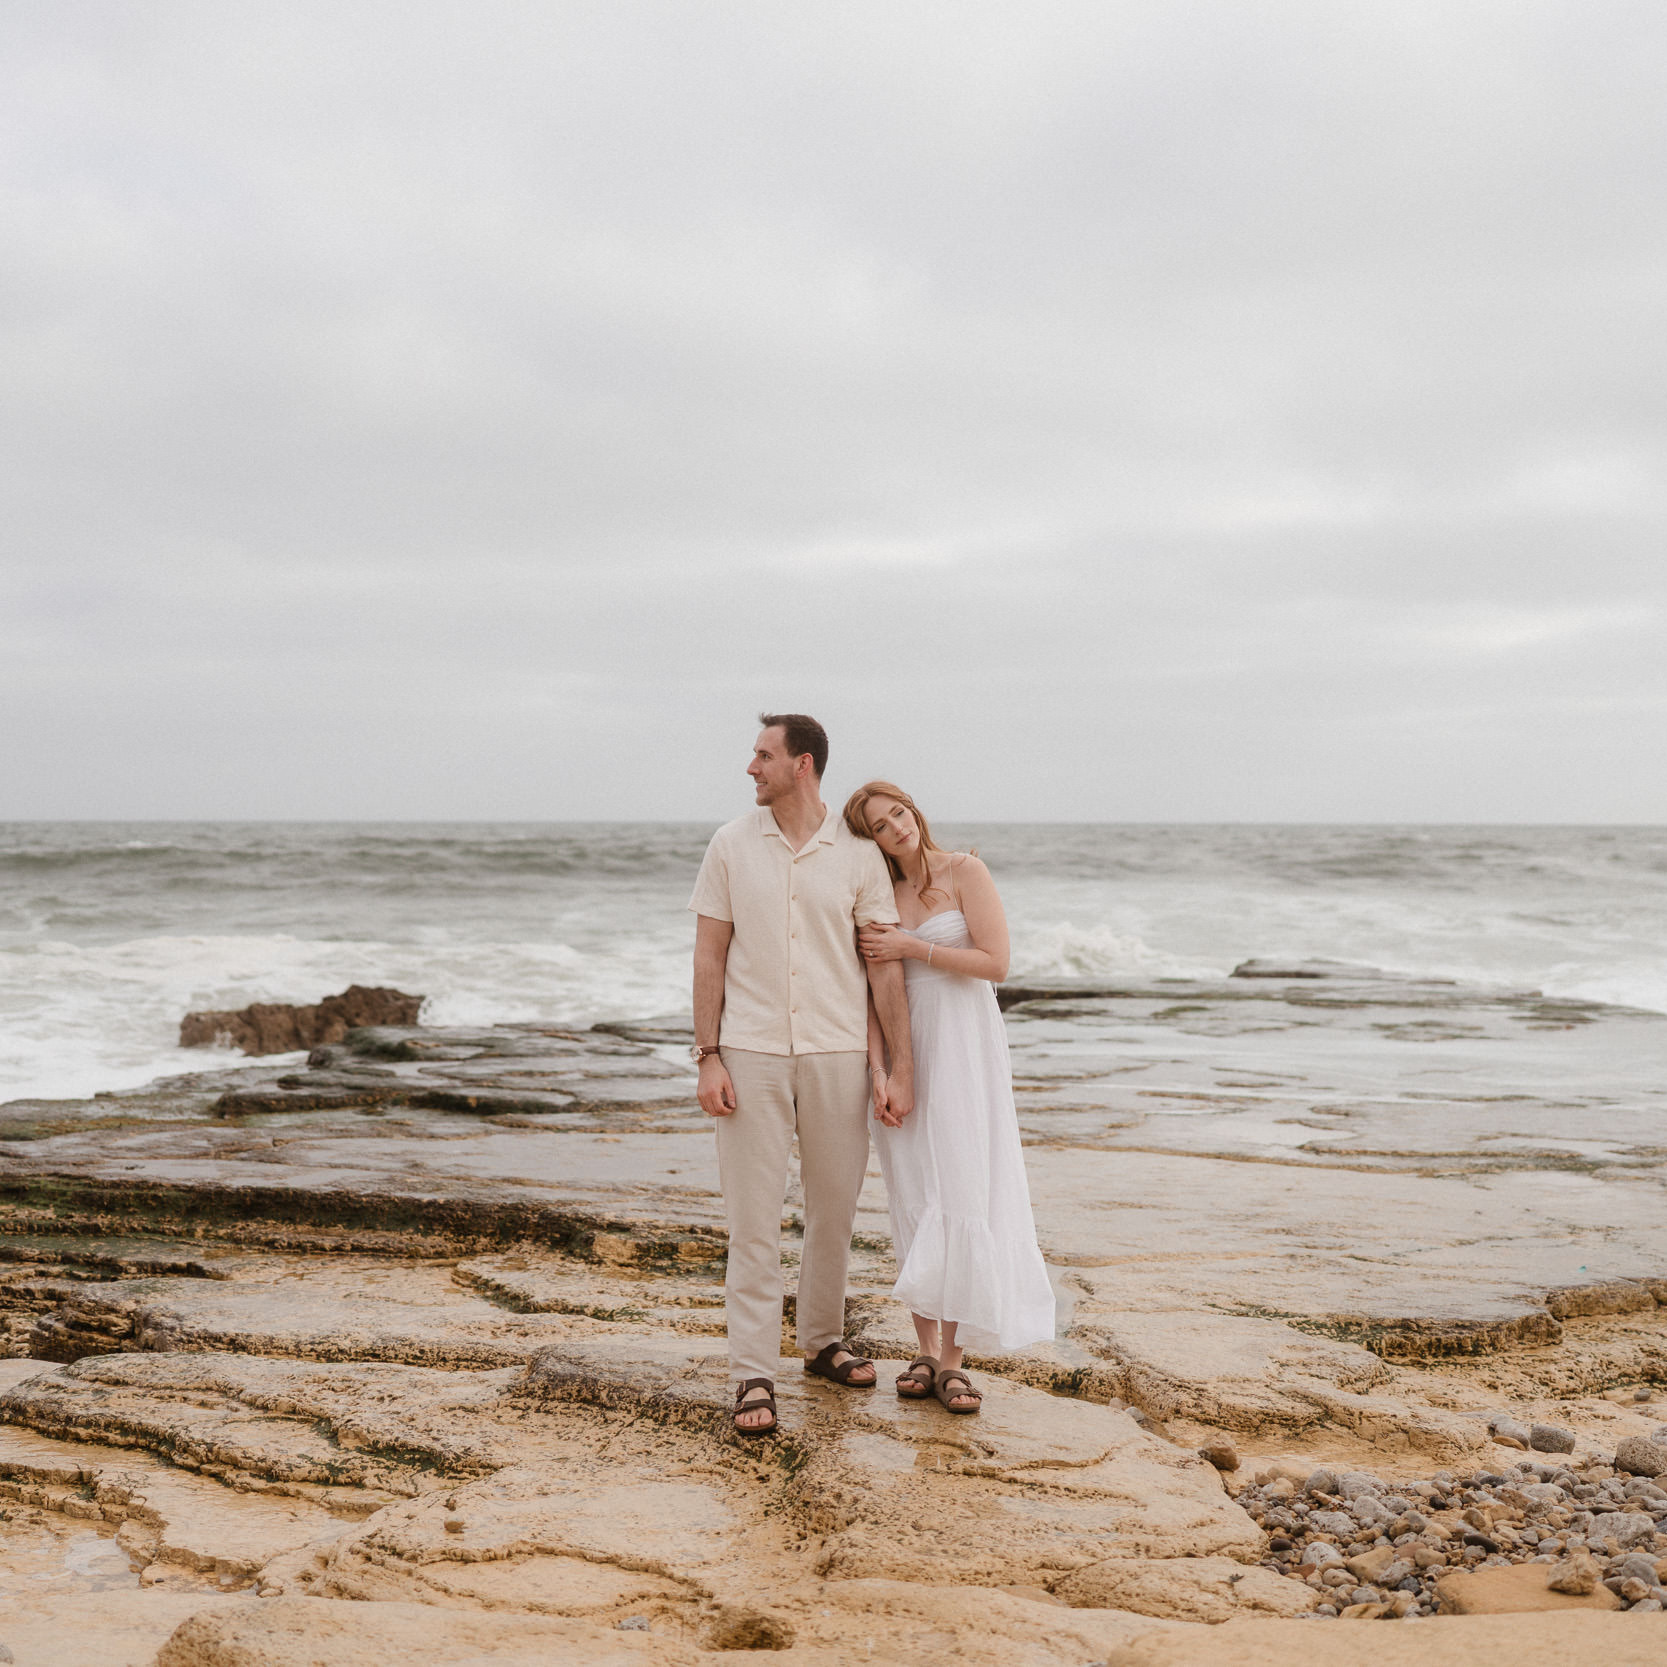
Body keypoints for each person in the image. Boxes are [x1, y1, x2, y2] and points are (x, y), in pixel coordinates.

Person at [690, 716, 915, 1436]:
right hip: (749, 1051)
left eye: (762, 754)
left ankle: (820, 1340)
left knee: (833, 1210)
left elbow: (882, 965)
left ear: (801, 764)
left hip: (838, 1052)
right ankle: (751, 1371)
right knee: (752, 1219)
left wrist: (892, 1067)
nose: (749, 766)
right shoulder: (730, 843)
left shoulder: (855, 855)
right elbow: (708, 956)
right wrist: (708, 1054)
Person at [843, 781, 1055, 1415]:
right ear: (871, 840)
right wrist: (878, 1070)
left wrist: (916, 946)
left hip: (964, 1043)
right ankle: (923, 1349)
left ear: (915, 812)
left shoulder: (964, 870)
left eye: (899, 813)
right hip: (908, 1048)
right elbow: (876, 991)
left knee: (963, 1186)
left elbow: (997, 963)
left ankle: (954, 1361)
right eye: (880, 825)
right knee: (913, 1192)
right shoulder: (878, 895)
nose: (897, 828)